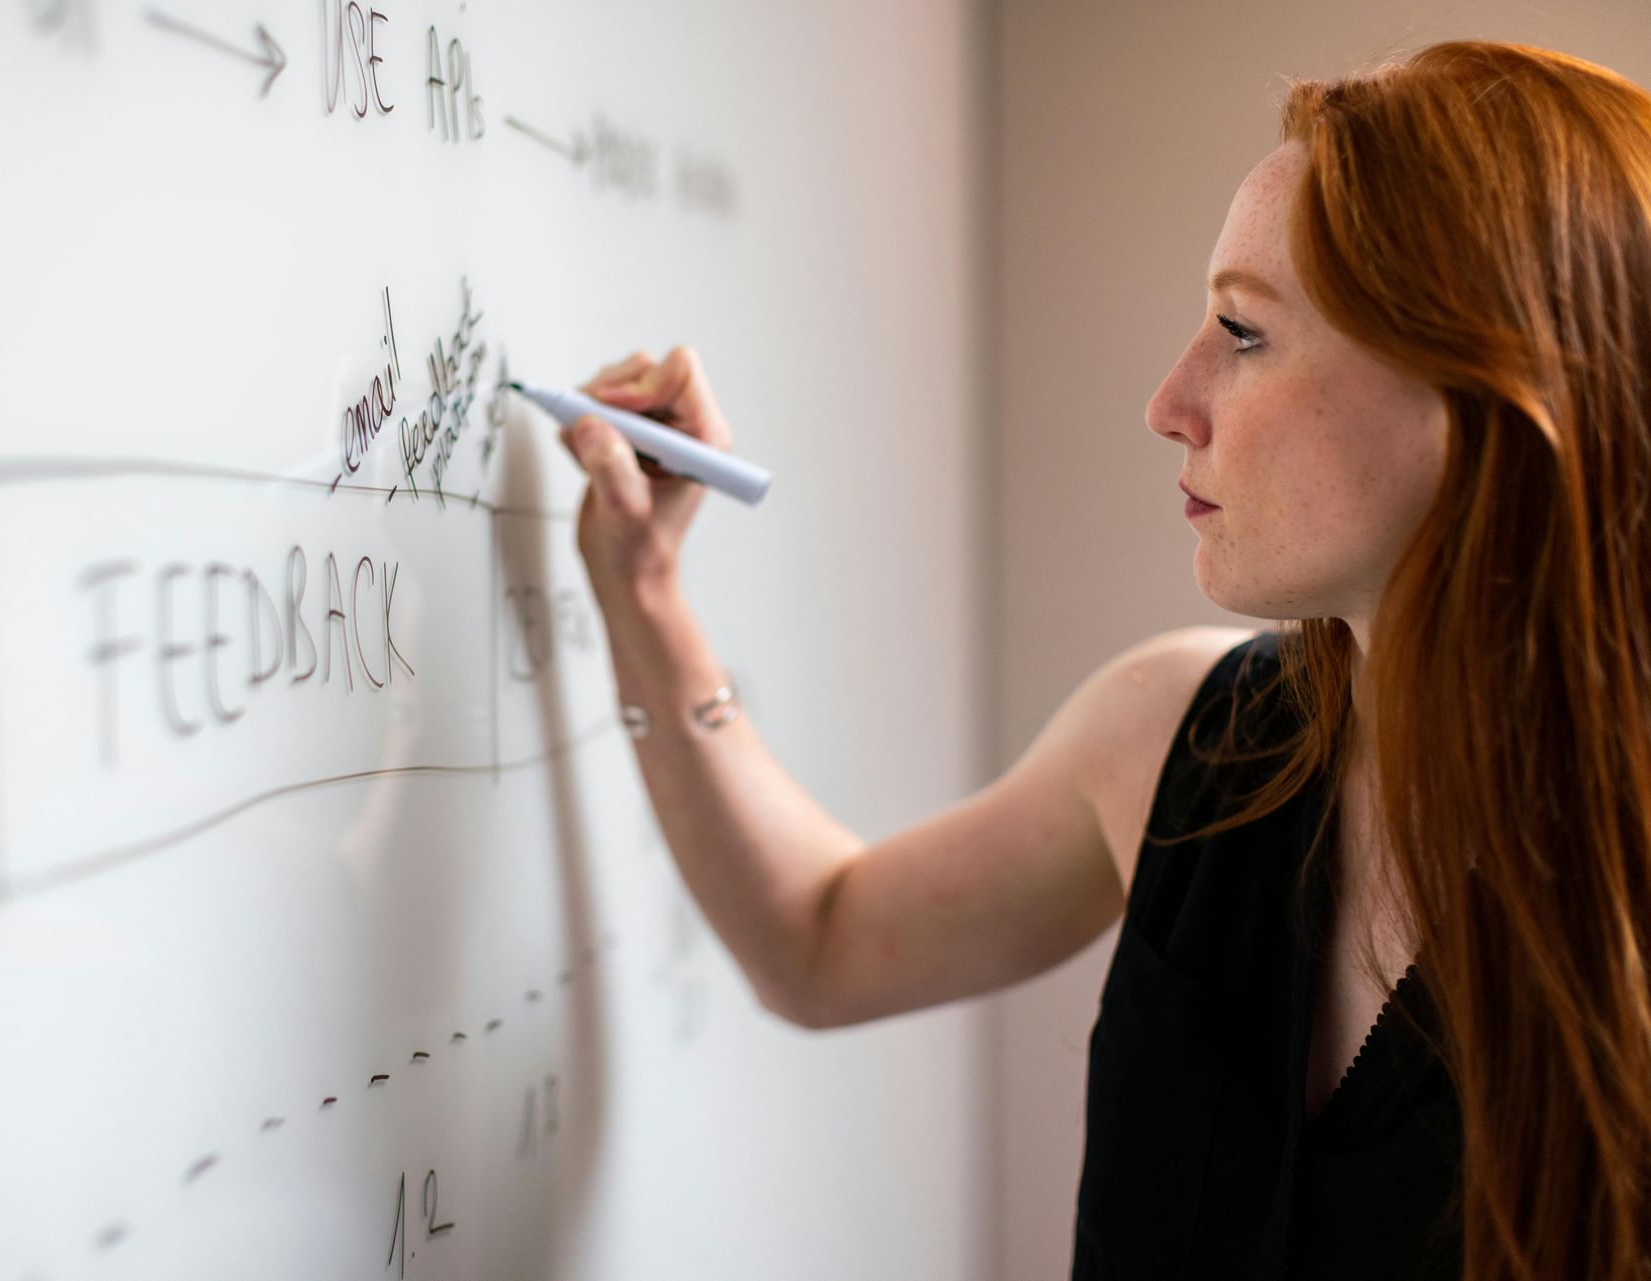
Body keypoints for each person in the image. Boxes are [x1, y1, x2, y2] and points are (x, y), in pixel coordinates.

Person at [556, 39, 1651, 1281]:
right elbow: (817, 940)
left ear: (1479, 399)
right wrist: (645, 595)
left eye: (1243, 331)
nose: (1170, 401)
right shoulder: (1183, 738)